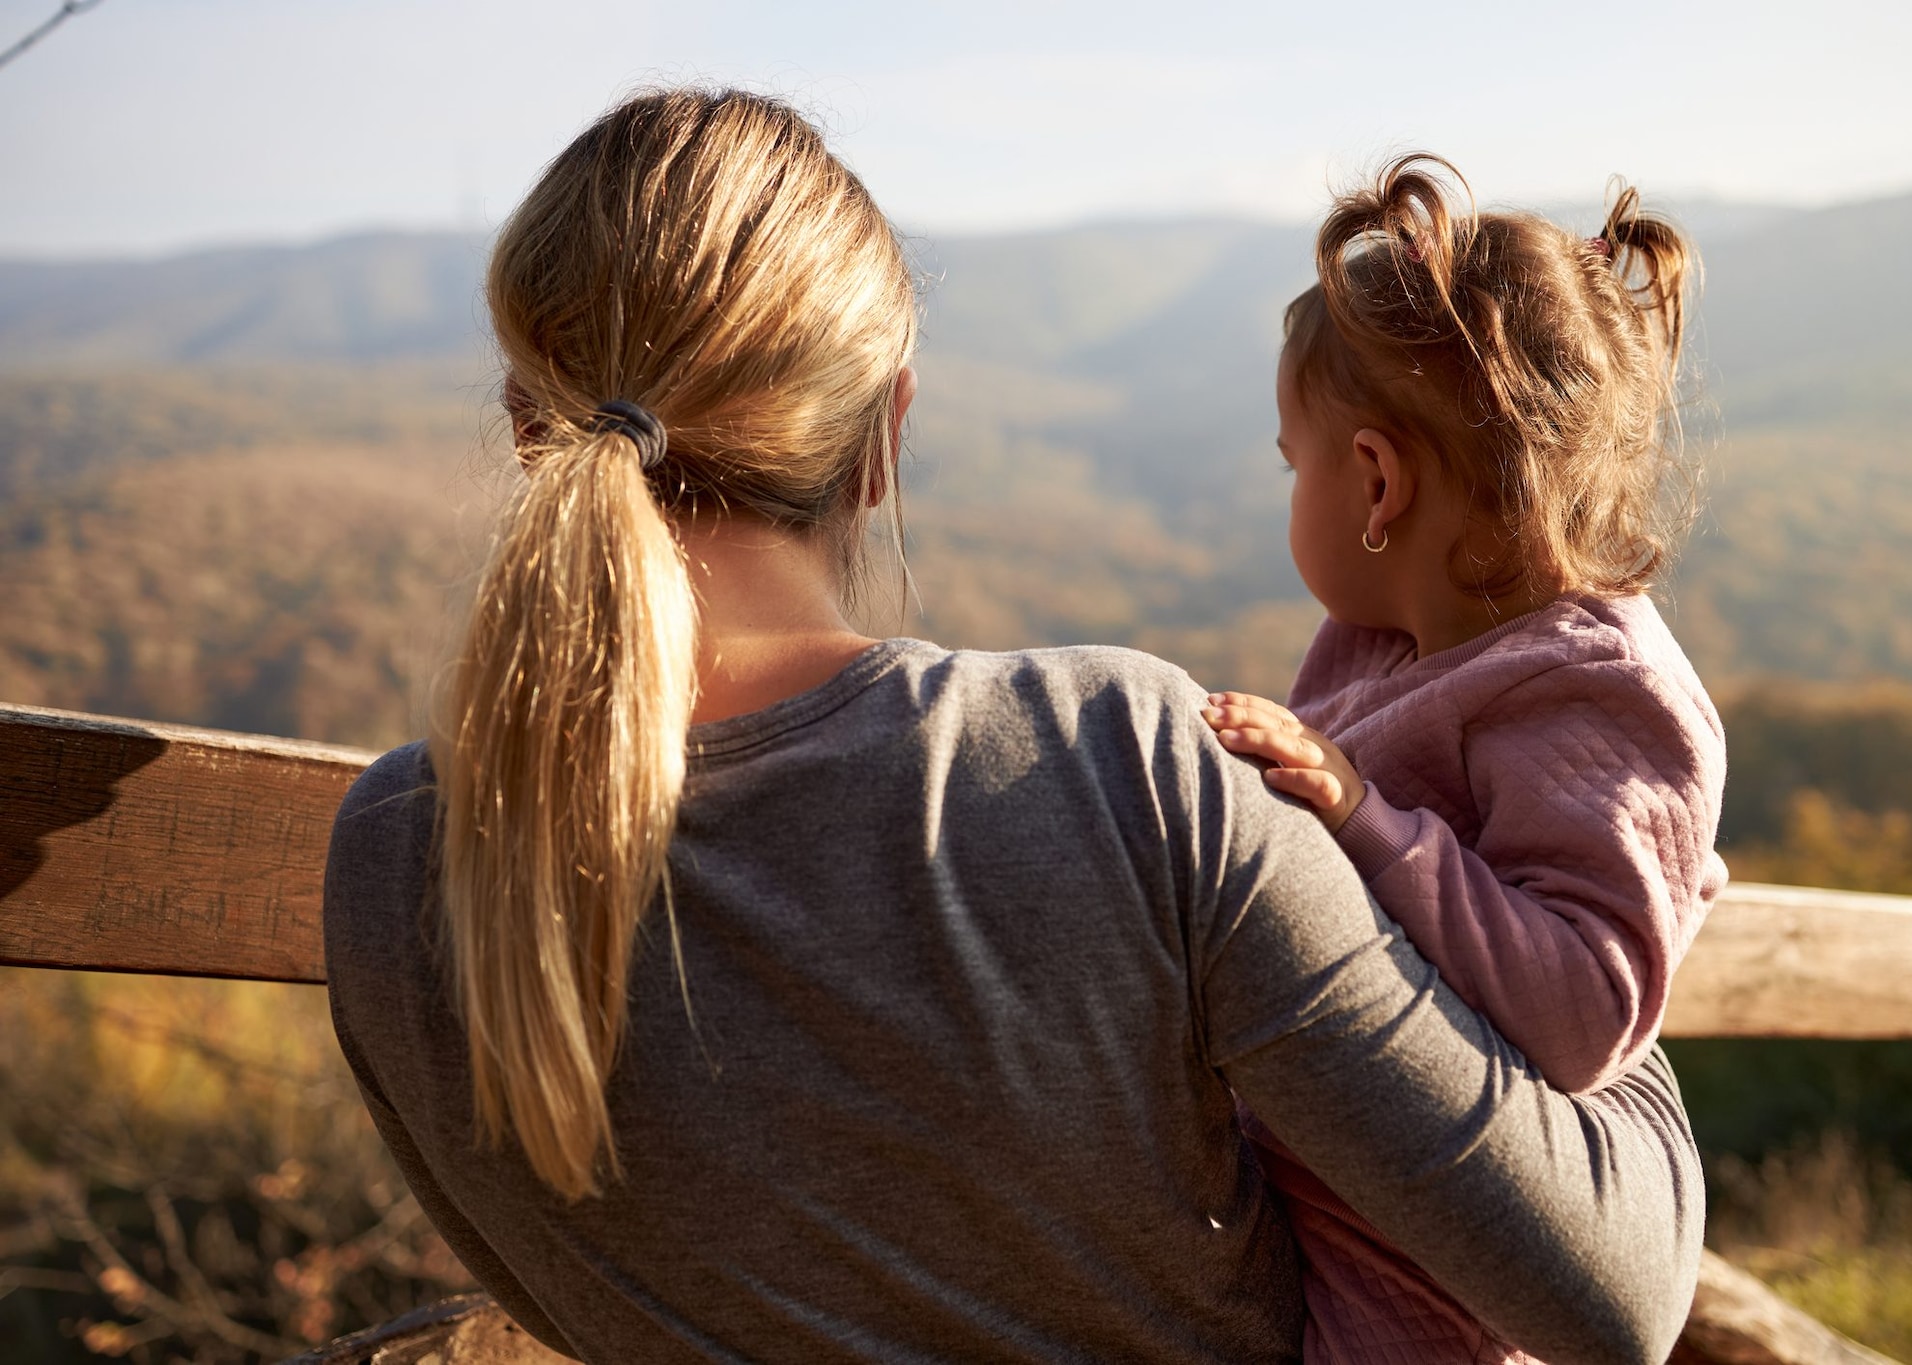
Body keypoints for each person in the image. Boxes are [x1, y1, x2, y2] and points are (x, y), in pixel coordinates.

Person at [322, 89, 1705, 1365]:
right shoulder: (1125, 773)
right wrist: (1616, 876)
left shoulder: (392, 872)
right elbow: (1613, 1294)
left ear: (527, 429)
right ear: (883, 440)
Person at [1201, 154, 1725, 1364]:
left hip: (1411, 1285)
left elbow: (1584, 1010)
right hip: (1302, 1182)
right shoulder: (1380, 644)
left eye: (1295, 463)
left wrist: (1361, 816)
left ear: (1375, 479)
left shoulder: (1601, 694)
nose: (1292, 491)